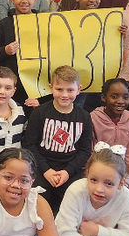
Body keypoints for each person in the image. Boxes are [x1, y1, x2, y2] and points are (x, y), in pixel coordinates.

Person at [21, 65, 93, 212]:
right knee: (35, 201)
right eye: (59, 89)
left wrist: (67, 172)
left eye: (70, 90)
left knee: (77, 200)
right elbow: (29, 144)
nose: (64, 95)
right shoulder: (39, 113)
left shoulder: (84, 117)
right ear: (51, 88)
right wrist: (46, 170)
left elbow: (85, 150)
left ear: (78, 90)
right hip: (41, 168)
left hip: (69, 169)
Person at [90, 78, 129, 166]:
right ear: (104, 98)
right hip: (98, 167)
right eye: (114, 97)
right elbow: (89, 151)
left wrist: (127, 171)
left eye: (125, 97)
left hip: (123, 169)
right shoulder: (93, 118)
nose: (120, 101)